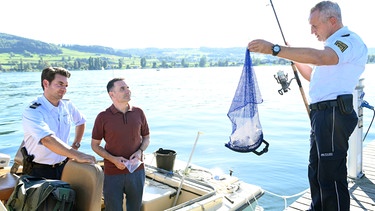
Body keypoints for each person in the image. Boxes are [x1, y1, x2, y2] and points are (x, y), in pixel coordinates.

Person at [248, 1, 367, 210]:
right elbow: (313, 76)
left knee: (331, 175)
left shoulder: (347, 41)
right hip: (322, 116)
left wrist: (275, 49)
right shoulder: (332, 48)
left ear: (332, 21)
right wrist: (292, 56)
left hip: (333, 115)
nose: (312, 31)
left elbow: (322, 58)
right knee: (316, 170)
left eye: (315, 26)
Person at [22, 67, 96, 180]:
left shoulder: (67, 105)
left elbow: (81, 122)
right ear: (46, 83)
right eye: (60, 84)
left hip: (64, 166)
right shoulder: (33, 110)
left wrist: (75, 146)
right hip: (38, 171)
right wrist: (77, 155)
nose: (64, 89)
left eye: (66, 85)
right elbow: (47, 139)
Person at [91, 77, 150, 211]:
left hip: (137, 171)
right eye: (122, 88)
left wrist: (140, 151)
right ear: (112, 94)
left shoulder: (139, 112)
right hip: (112, 173)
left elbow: (146, 137)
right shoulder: (103, 117)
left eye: (127, 87)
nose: (127, 91)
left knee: (135, 208)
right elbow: (95, 145)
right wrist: (113, 159)